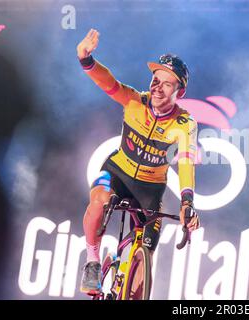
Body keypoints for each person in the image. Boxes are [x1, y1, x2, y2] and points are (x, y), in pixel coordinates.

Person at [77, 28, 200, 295]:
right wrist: (86, 59)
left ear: (180, 91)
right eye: (155, 79)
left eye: (167, 83)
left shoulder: (185, 124)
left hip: (150, 189)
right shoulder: (135, 101)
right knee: (98, 202)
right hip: (117, 172)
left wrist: (188, 202)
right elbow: (108, 82)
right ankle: (93, 261)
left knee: (146, 257)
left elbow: (187, 162)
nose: (157, 86)